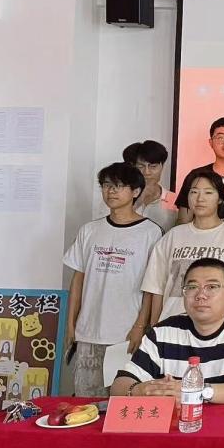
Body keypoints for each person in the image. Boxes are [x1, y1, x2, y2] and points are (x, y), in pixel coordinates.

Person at [110, 258, 224, 404]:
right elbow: (119, 385)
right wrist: (140, 390)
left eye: (212, 287)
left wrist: (198, 391)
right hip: (177, 422)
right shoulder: (162, 332)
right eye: (192, 287)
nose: (201, 295)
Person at [63, 163, 162, 397]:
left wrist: (141, 326)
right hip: (88, 331)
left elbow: (151, 287)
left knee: (121, 401)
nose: (111, 191)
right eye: (107, 185)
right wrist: (71, 324)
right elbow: (78, 279)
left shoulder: (151, 232)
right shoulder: (89, 230)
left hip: (125, 335)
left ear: (135, 191)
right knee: (86, 402)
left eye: (119, 186)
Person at [141, 170, 224, 324]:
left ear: (220, 198)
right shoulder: (174, 235)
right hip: (173, 323)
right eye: (194, 192)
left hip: (220, 326)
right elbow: (156, 287)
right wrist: (156, 327)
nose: (200, 198)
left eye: (208, 192)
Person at [122, 140, 177, 232]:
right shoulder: (119, 197)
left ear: (162, 166)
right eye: (141, 167)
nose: (147, 172)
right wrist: (138, 201)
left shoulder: (174, 200)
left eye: (153, 166)